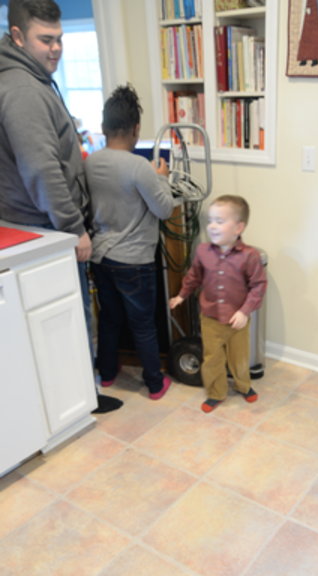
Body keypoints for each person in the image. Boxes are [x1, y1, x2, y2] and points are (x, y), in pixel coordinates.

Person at [0, 0, 122, 414]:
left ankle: (81, 398)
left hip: (41, 225)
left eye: (60, 40)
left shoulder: (31, 79)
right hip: (46, 229)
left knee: (65, 319)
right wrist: (74, 228)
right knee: (68, 320)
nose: (56, 49)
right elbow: (41, 169)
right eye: (45, 39)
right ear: (18, 36)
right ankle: (81, 403)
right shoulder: (22, 90)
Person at [85, 84, 175, 400]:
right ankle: (154, 383)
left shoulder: (90, 162)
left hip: (101, 256)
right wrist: (161, 177)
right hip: (134, 260)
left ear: (103, 127)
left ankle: (107, 372)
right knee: (143, 324)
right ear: (136, 129)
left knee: (110, 318)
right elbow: (164, 209)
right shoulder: (139, 166)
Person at [169, 195, 267, 413]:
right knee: (212, 358)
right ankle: (216, 392)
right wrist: (181, 296)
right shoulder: (203, 251)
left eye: (219, 221)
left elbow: (258, 286)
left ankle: (243, 385)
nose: (212, 226)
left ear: (238, 227)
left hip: (237, 321)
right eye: (210, 221)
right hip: (210, 318)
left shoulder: (249, 256)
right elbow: (193, 276)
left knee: (239, 357)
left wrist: (245, 311)